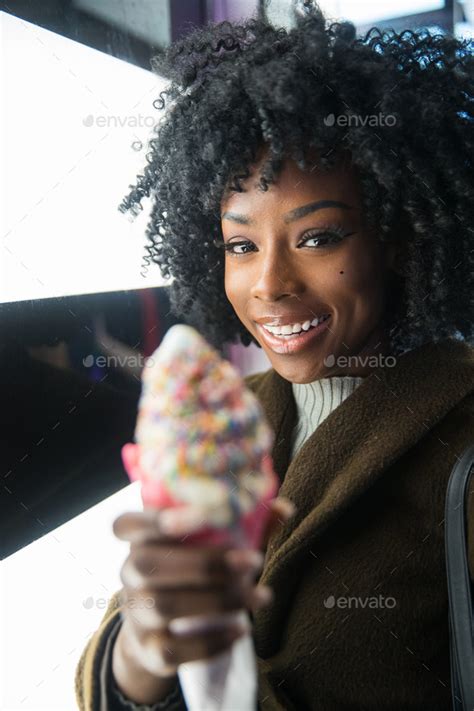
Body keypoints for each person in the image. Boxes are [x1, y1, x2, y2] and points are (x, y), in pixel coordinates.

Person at [75, 2, 474, 709]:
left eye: (318, 237)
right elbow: (120, 676)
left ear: (399, 237)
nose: (270, 286)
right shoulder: (225, 422)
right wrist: (142, 645)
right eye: (240, 245)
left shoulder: (461, 442)